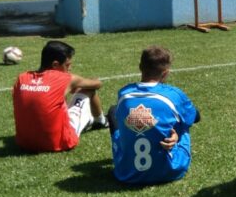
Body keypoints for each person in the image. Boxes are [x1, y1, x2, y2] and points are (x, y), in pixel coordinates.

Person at [111, 46, 200, 185]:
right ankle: (172, 147)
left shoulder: (124, 93)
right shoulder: (173, 94)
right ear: (165, 73)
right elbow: (196, 117)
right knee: (185, 119)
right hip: (170, 171)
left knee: (113, 111)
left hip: (126, 173)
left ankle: (126, 154)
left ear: (140, 67)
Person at [12, 40, 108, 153]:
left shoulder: (22, 78)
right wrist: (87, 82)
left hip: (24, 143)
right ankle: (101, 121)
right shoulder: (66, 79)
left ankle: (92, 120)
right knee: (89, 90)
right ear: (55, 65)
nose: (70, 68)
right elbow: (97, 84)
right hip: (59, 142)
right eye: (67, 65)